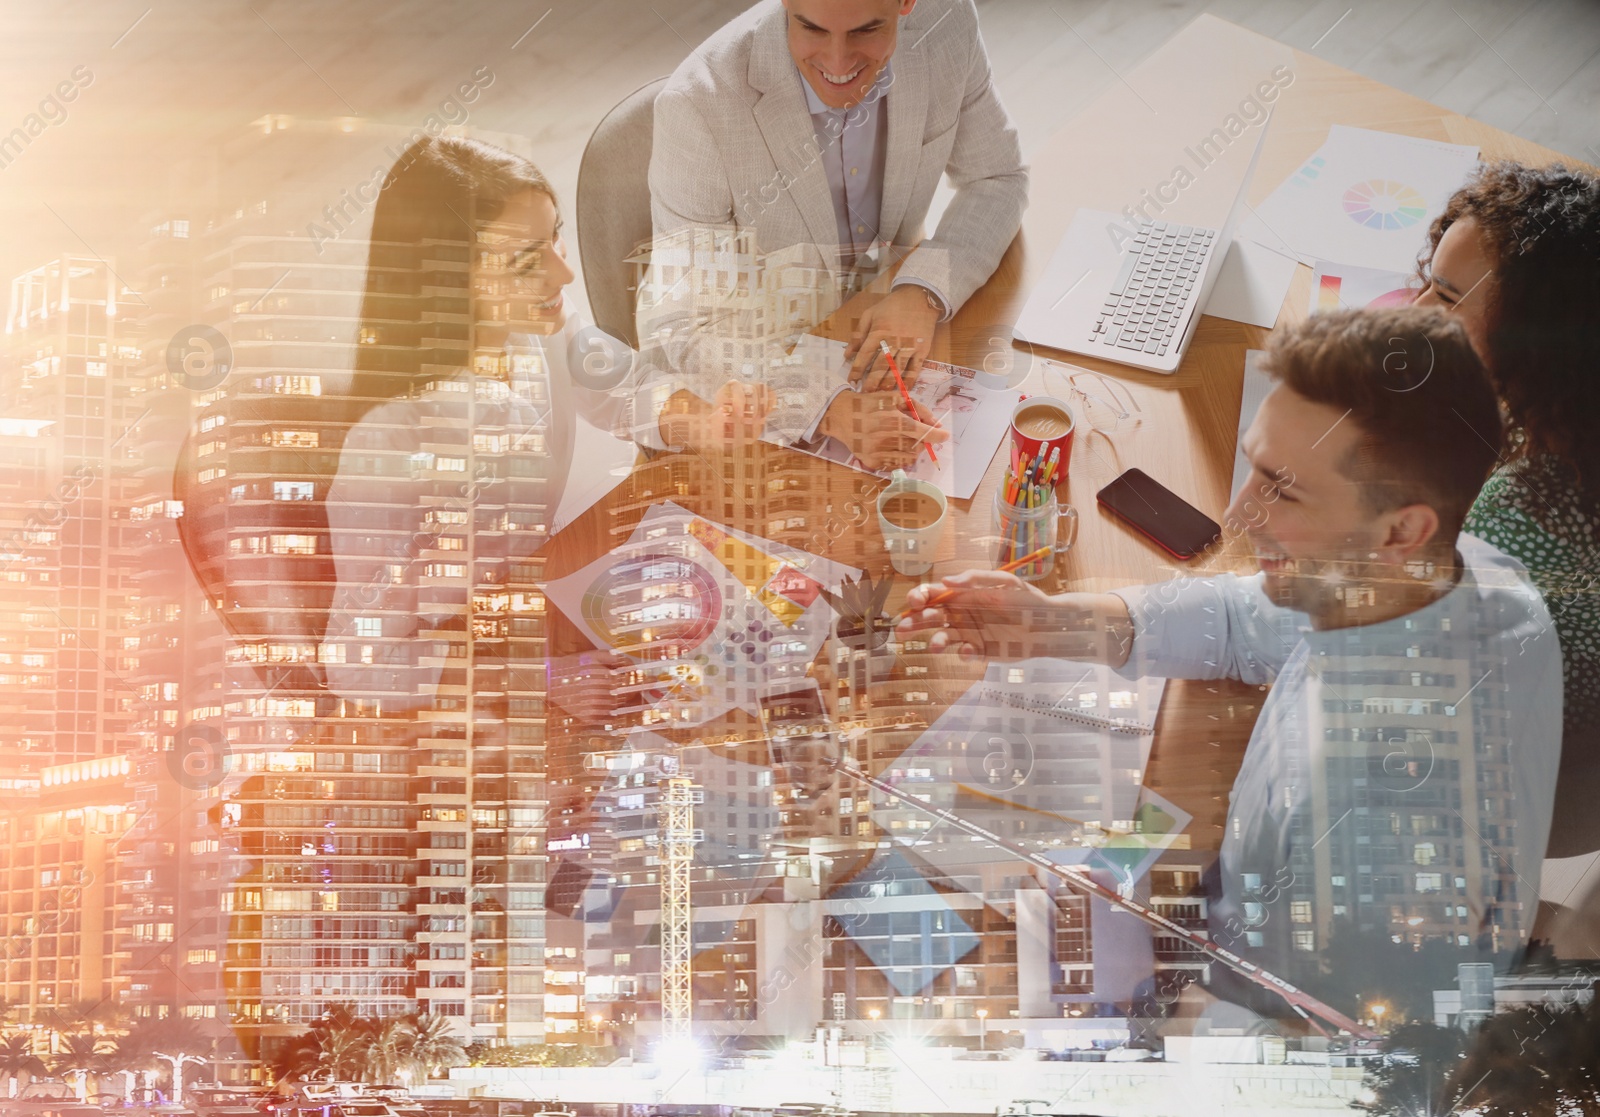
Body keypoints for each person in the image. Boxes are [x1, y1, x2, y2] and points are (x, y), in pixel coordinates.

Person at [897, 307, 1562, 996]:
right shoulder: (1467, 570)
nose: (1240, 513)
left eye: (1283, 488)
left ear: (1401, 529)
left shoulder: (1378, 837)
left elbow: (1318, 1064)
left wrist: (1136, 965)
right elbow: (1246, 617)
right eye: (1257, 468)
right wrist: (1049, 626)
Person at [641, 0, 1027, 469]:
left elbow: (997, 176)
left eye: (867, 31)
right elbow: (682, 326)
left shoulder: (946, 23)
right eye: (811, 29)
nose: (838, 64)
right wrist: (831, 407)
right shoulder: (699, 104)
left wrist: (922, 290)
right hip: (753, 395)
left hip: (885, 314)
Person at [1412, 160, 1600, 857]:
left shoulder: (1517, 512)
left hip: (1507, 779)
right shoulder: (1572, 411)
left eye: (1447, 295)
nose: (1418, 309)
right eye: (1427, 280)